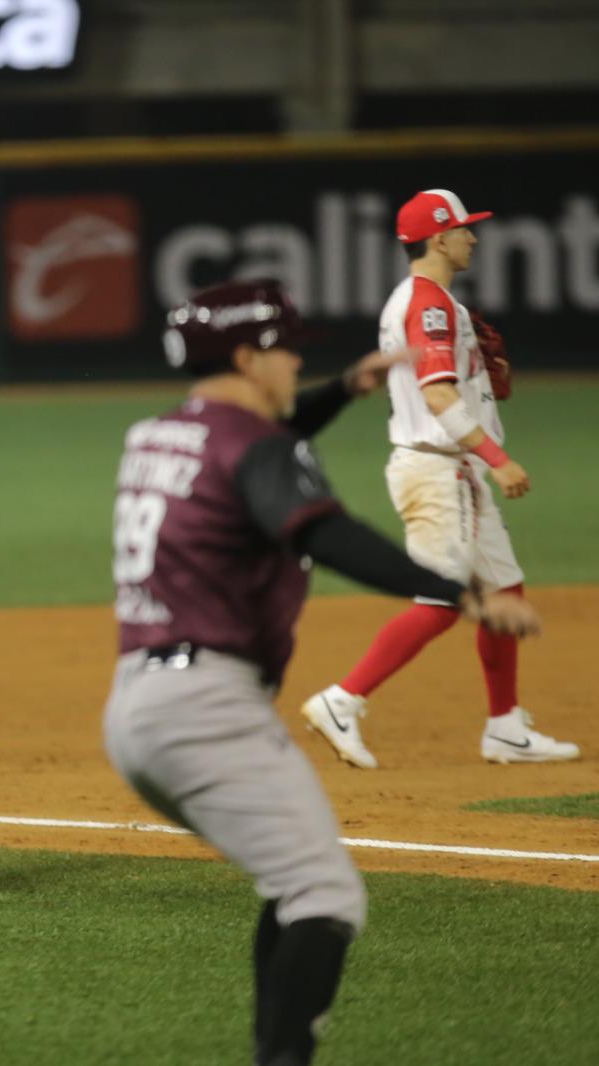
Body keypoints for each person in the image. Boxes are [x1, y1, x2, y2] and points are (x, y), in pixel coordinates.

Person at [103, 280, 540, 1066]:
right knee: (325, 893)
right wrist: (461, 592)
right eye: (286, 350)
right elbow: (323, 530)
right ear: (248, 357)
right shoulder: (257, 448)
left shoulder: (157, 434)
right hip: (206, 707)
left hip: (140, 704)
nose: (297, 362)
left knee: (293, 883)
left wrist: (343, 390)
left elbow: (250, 445)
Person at [301, 189, 579, 769]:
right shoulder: (427, 303)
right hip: (436, 470)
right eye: (463, 229)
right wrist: (498, 459)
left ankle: (505, 727)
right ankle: (341, 700)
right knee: (443, 599)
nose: (472, 237)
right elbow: (438, 394)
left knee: (504, 590)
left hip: (452, 468)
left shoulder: (430, 300)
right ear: (439, 237)